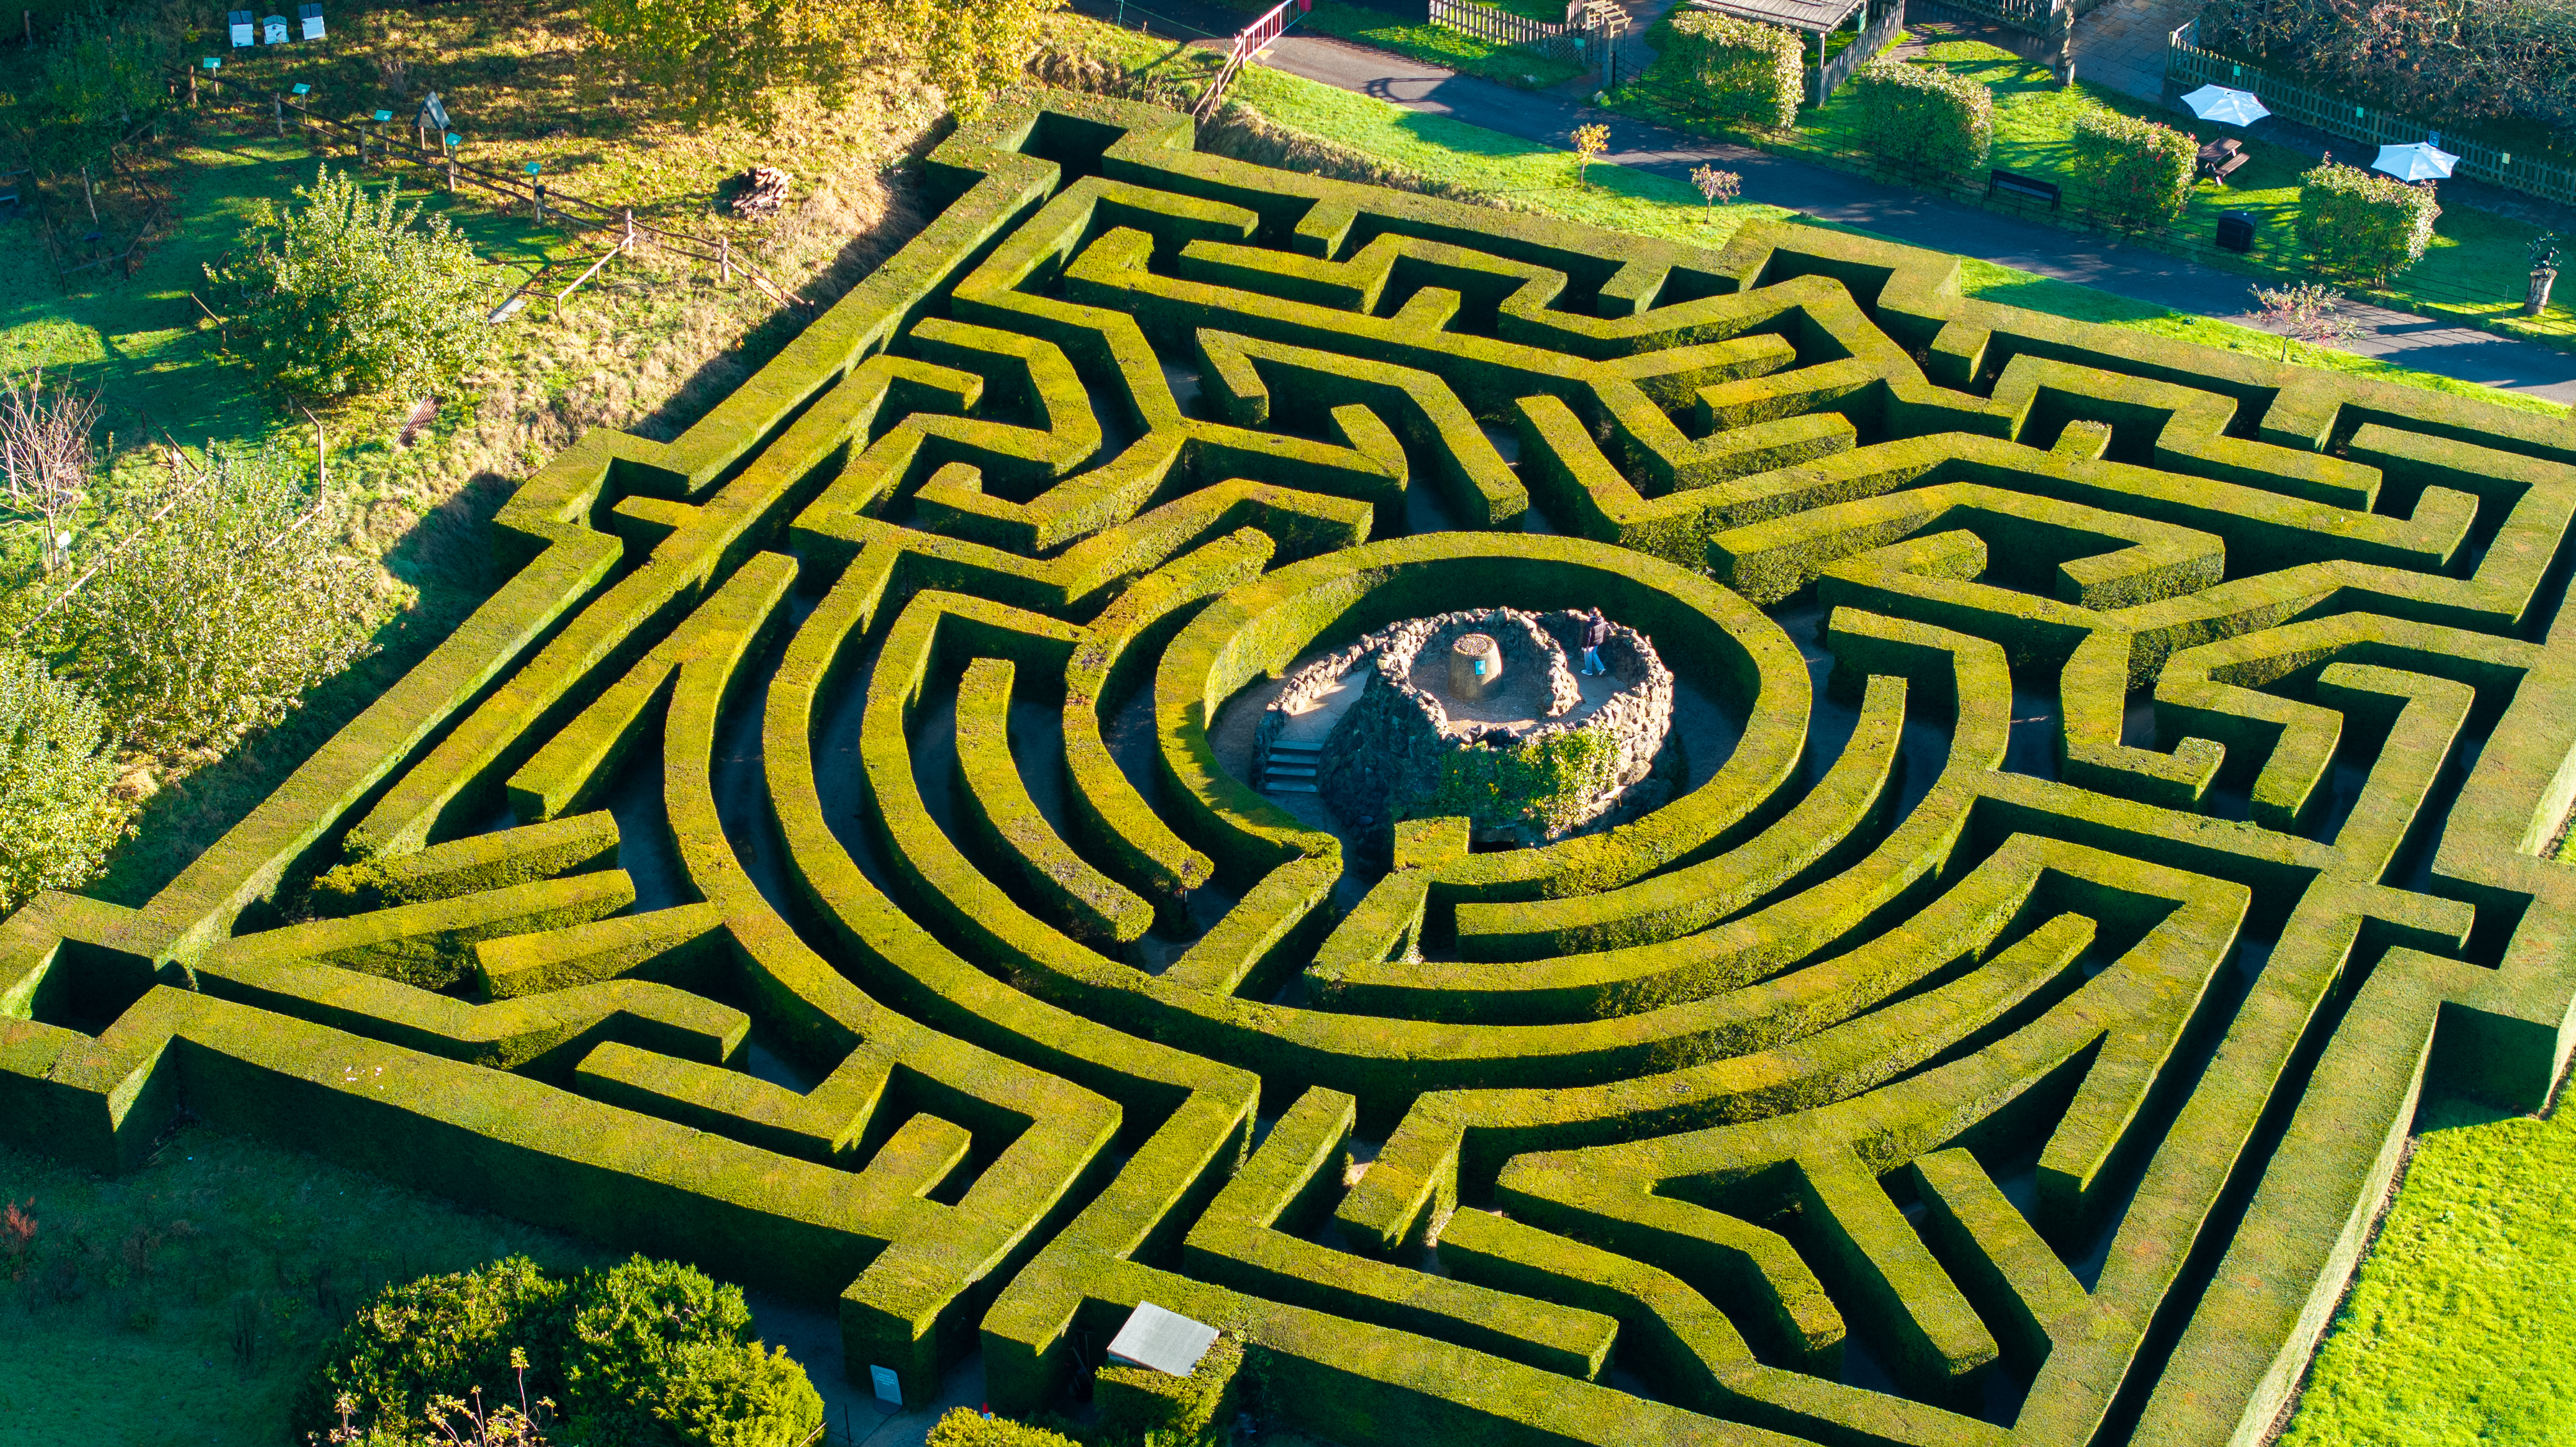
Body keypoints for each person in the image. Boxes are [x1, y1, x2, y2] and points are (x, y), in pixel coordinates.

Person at [1579, 607, 1610, 676]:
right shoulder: (1601, 619)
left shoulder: (1590, 623)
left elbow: (1587, 637)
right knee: (1594, 654)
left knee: (1587, 655)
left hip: (1590, 643)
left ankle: (1588, 671)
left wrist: (1585, 646)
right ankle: (1601, 668)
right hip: (1597, 641)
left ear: (1591, 614)